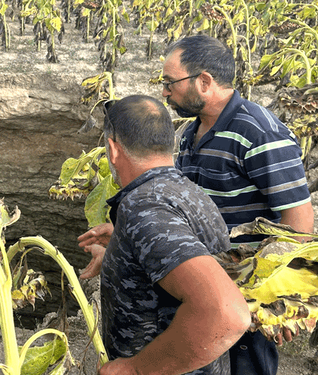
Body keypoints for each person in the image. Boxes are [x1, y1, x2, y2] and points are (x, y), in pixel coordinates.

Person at [80, 35, 315, 375]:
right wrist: (127, 243)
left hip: (241, 291)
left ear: (204, 81)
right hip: (198, 282)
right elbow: (178, 212)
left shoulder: (260, 132)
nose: (164, 91)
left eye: (169, 82)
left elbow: (299, 222)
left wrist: (270, 298)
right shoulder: (192, 134)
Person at [85, 95, 250, 375]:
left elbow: (226, 313)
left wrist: (136, 369)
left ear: (113, 149)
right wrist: (119, 252)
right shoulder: (187, 191)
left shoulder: (144, 207)